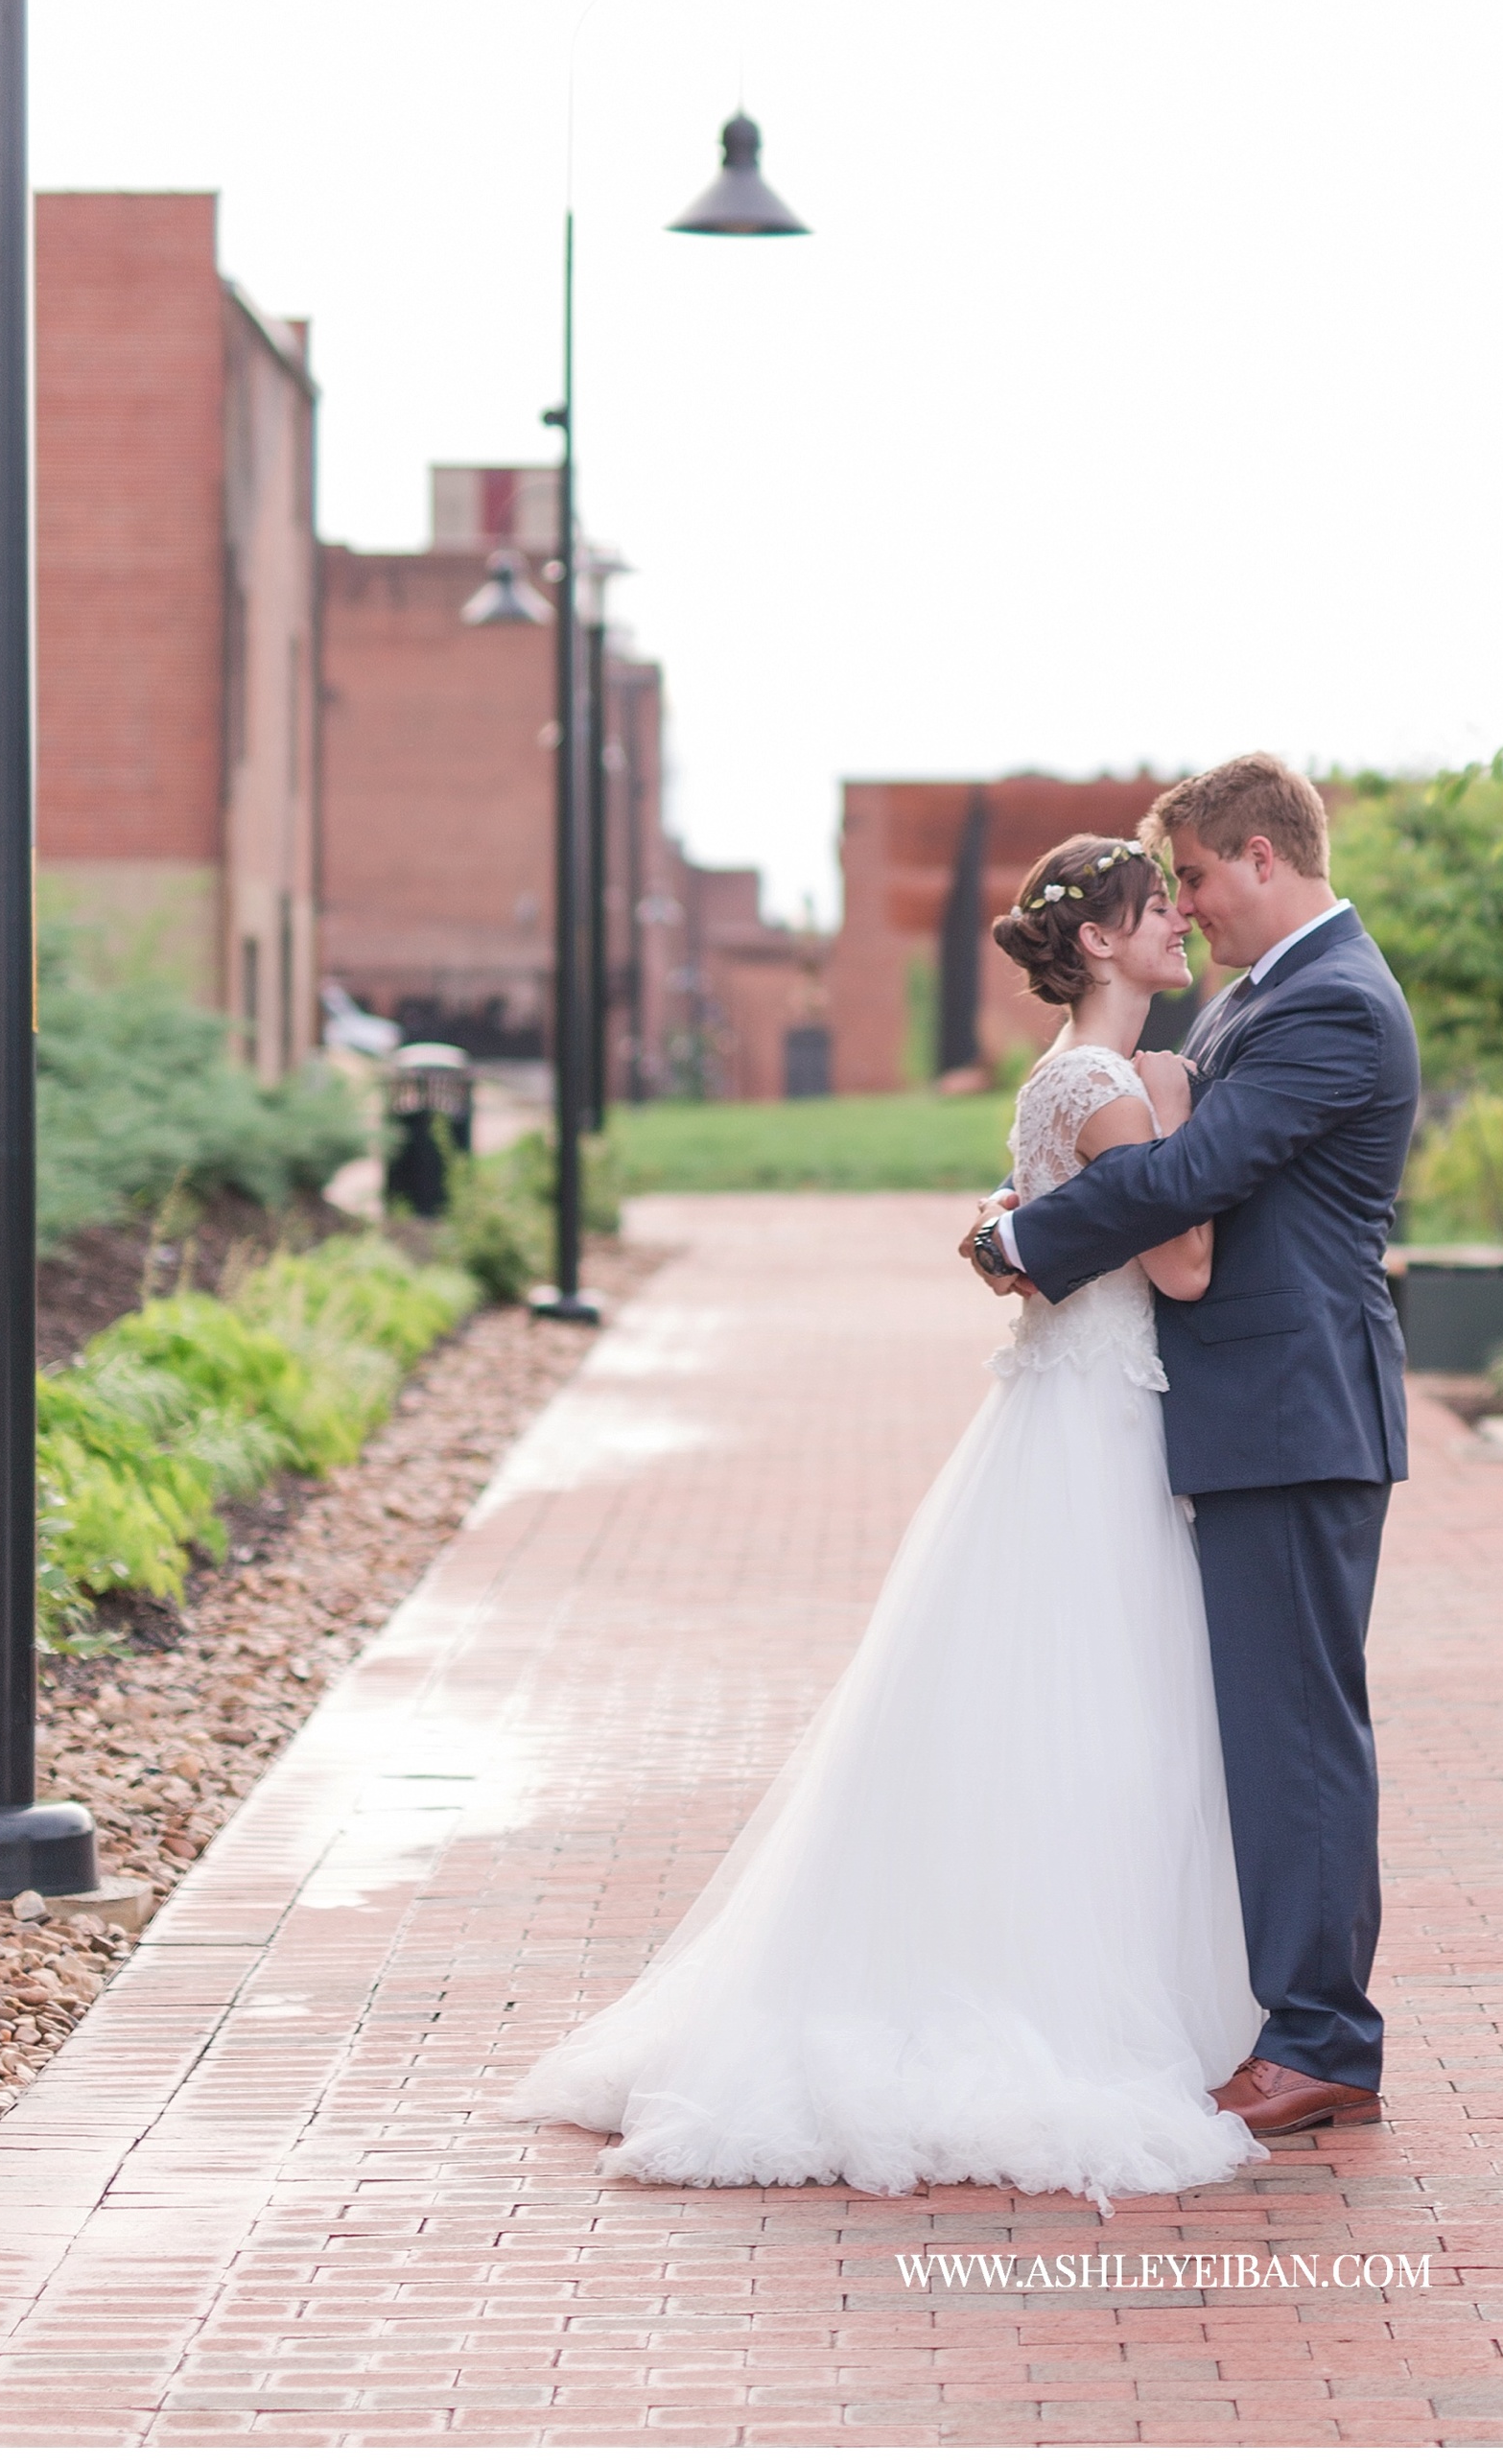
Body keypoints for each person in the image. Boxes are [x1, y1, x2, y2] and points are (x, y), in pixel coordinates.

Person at [510, 831, 1266, 2210]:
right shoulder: (1112, 1086)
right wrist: (1178, 1115)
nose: (1177, 925)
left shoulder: (1058, 1080)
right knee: (1103, 1724)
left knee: (1048, 1716)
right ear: (1098, 941)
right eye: (1156, 909)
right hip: (1096, 1429)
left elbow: (1038, 1249)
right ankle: (1062, 2005)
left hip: (1060, 1416)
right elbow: (1192, 1263)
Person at [965, 755, 1418, 2134]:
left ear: (1263, 860)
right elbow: (1150, 1149)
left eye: (1203, 879)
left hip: (1292, 1414)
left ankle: (1325, 2038)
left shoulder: (1332, 1005)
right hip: (1247, 1411)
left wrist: (1022, 1240)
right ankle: (1292, 2017)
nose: (1195, 909)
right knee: (1264, 1729)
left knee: (1294, 1735)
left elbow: (1194, 1180)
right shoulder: (1265, 998)